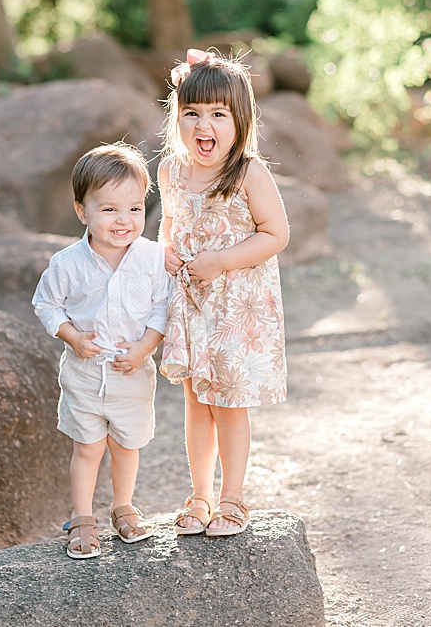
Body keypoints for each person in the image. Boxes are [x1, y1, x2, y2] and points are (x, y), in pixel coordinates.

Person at [158, 50, 291, 539]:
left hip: (238, 308)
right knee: (196, 402)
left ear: (240, 121)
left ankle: (233, 498)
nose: (203, 125)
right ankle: (199, 494)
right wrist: (166, 251)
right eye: (191, 113)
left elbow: (275, 234)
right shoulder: (171, 172)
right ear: (177, 118)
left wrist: (221, 260)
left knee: (230, 405)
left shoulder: (248, 174)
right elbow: (171, 226)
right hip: (192, 305)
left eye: (218, 114)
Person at [33, 142, 171, 559]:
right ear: (83, 212)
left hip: (132, 370)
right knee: (88, 446)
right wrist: (72, 336)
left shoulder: (151, 259)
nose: (123, 220)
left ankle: (123, 506)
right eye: (108, 209)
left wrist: (146, 348)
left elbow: (163, 307)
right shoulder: (67, 263)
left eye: (133, 208)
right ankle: (82, 516)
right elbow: (45, 303)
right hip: (84, 371)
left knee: (127, 445)